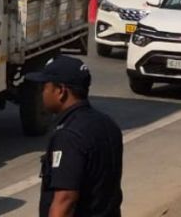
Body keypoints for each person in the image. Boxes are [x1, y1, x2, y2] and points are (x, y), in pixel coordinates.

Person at [32, 56, 123, 217]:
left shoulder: (68, 136)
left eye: (44, 87)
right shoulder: (107, 123)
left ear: (60, 91)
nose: (41, 94)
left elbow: (65, 201)